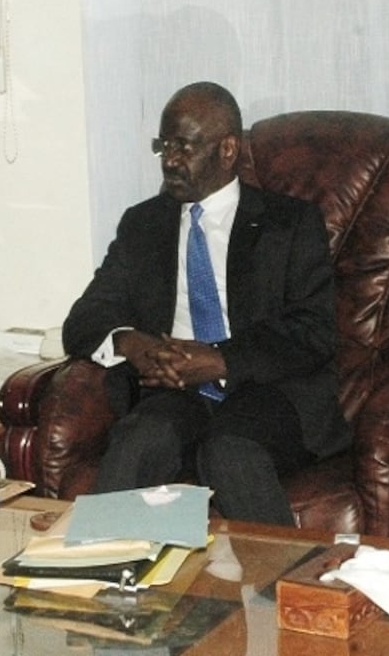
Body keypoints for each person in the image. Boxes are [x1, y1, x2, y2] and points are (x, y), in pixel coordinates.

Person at [61, 82, 350, 526]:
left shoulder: (288, 223)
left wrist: (219, 360)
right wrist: (135, 346)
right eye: (164, 146)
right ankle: (95, 572)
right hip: (174, 391)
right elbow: (84, 321)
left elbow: (313, 331)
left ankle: (285, 586)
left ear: (228, 150)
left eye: (184, 147)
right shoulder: (143, 225)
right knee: (142, 437)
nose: (170, 160)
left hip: (266, 392)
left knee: (229, 450)